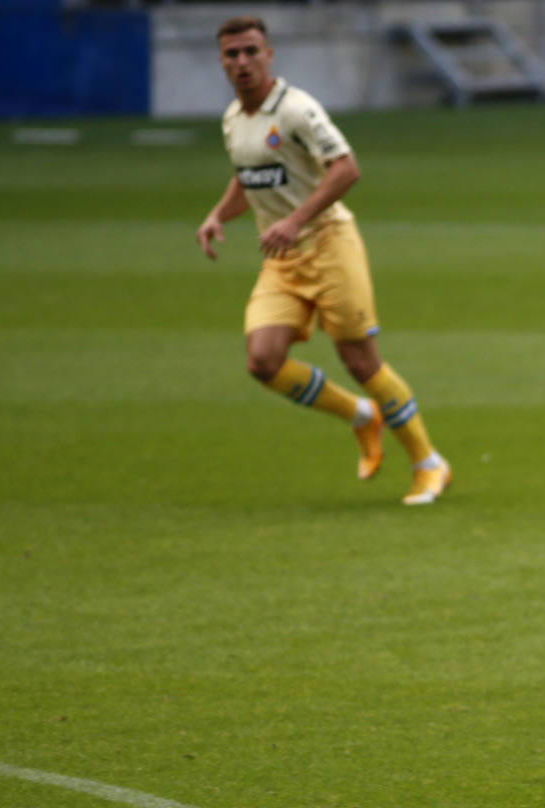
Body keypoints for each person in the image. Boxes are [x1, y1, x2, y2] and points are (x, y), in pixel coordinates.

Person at [196, 15, 451, 506]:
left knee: (360, 360)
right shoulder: (234, 119)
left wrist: (295, 221)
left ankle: (428, 463)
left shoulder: (296, 109)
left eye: (251, 51)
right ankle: (361, 415)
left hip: (329, 244)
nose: (242, 62)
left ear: (269, 55)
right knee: (263, 361)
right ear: (222, 61)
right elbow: (249, 175)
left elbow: (346, 168)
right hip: (283, 257)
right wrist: (218, 215)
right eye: (232, 54)